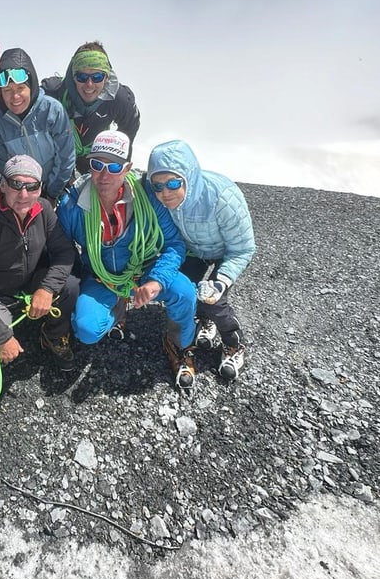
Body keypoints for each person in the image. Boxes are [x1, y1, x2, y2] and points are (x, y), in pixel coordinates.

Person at [57, 130, 198, 391]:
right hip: (101, 277)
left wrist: (156, 281)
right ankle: (119, 306)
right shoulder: (72, 204)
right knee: (87, 330)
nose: (104, 174)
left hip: (144, 270)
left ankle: (179, 345)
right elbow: (61, 250)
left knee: (185, 292)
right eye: (97, 164)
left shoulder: (147, 198)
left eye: (114, 166)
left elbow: (175, 245)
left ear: (128, 168)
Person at [147, 140, 256, 381]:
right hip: (192, 249)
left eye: (173, 183)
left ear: (189, 177)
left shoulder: (223, 197)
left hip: (227, 251)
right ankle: (203, 323)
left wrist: (221, 282)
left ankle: (234, 343)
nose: (165, 192)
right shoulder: (156, 196)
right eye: (158, 185)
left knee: (214, 300)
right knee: (185, 292)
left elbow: (243, 248)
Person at [0, 154, 79, 371]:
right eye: (15, 184)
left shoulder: (44, 210)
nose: (23, 194)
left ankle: (52, 335)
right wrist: (2, 336)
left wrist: (47, 289)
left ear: (40, 189)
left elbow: (65, 252)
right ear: (2, 185)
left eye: (31, 187)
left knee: (70, 285)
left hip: (29, 284)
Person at [0, 48, 76, 207]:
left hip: (57, 189)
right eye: (7, 90)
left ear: (32, 86)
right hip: (22, 193)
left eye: (21, 88)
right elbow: (4, 165)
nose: (15, 97)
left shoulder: (52, 110)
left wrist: (50, 193)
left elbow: (65, 158)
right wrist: (24, 192)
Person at [42, 41, 141, 175]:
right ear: (73, 76)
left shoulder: (120, 100)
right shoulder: (53, 92)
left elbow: (130, 126)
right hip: (58, 157)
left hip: (95, 161)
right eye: (82, 77)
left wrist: (118, 166)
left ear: (106, 77)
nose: (89, 84)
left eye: (97, 77)